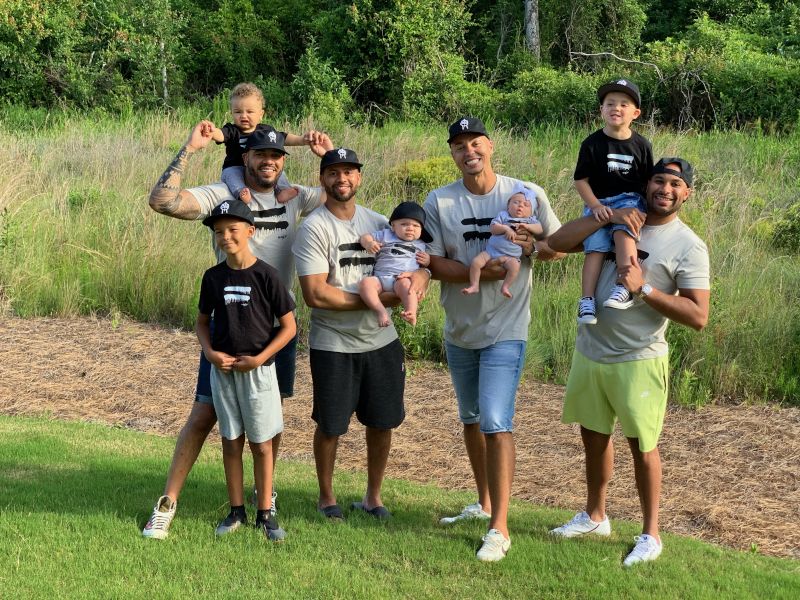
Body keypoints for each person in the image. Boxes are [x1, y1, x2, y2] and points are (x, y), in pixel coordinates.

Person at [142, 121, 333, 540]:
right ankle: (167, 503)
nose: (268, 162)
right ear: (245, 157)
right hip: (227, 326)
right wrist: (189, 149)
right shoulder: (224, 196)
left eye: (275, 155)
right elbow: (162, 201)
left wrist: (327, 158)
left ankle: (265, 498)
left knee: (270, 420)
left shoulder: (293, 195)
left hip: (274, 330)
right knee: (203, 414)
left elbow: (340, 193)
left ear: (283, 161)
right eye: (260, 154)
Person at [547, 158, 710, 567]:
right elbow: (557, 242)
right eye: (659, 180)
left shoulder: (688, 244)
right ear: (646, 183)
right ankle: (595, 516)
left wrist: (645, 289)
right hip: (591, 351)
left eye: (675, 184)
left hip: (639, 359)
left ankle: (651, 534)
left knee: (643, 447)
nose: (665, 190)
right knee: (593, 437)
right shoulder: (617, 217)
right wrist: (609, 215)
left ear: (687, 193)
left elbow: (698, 316)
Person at [423, 117, 564, 561]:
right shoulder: (440, 200)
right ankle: (483, 502)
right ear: (452, 153)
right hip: (460, 328)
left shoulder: (525, 192)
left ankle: (499, 528)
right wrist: (484, 274)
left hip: (507, 327)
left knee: (496, 421)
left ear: (491, 145)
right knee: (470, 418)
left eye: (476, 143)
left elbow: (557, 245)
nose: (469, 152)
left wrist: (528, 249)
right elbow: (431, 261)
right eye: (459, 145)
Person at [293, 148, 430, 521]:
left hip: (381, 342)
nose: (342, 179)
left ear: (359, 177)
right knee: (331, 425)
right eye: (333, 172)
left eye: (349, 171)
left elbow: (414, 263)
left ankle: (373, 497)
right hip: (333, 343)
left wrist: (421, 277)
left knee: (383, 422)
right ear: (322, 179)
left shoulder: (380, 221)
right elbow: (316, 294)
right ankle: (327, 497)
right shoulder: (314, 228)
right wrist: (377, 301)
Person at [197, 199, 296, 541]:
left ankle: (265, 513)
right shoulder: (213, 277)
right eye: (218, 232)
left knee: (262, 444)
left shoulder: (267, 275)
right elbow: (202, 322)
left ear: (251, 231)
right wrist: (210, 353)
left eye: (232, 230)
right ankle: (236, 510)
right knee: (230, 441)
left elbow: (289, 327)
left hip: (257, 372)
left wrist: (260, 358)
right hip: (224, 372)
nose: (225, 237)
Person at [575, 78, 653, 325]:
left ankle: (624, 286)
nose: (616, 108)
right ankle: (586, 300)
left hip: (630, 200)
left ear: (635, 113)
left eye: (623, 104)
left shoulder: (641, 145)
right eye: (610, 103)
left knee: (623, 233)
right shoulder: (591, 143)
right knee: (595, 248)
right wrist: (595, 206)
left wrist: (646, 213)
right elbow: (581, 180)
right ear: (601, 110)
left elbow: (647, 182)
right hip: (599, 202)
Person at [208, 82, 309, 204]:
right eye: (238, 112)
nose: (243, 116)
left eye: (250, 112)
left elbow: (283, 137)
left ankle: (283, 191)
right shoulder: (231, 130)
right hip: (235, 166)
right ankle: (241, 192)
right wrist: (211, 132)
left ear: (261, 114)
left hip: (259, 167)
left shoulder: (265, 131)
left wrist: (302, 140)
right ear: (231, 113)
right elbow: (220, 135)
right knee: (231, 175)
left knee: (278, 172)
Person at [461, 184, 543, 298]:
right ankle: (474, 285)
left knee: (515, 267)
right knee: (476, 262)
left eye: (526, 205)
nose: (520, 206)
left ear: (531, 212)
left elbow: (539, 229)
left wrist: (527, 226)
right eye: (516, 202)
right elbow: (493, 228)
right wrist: (505, 228)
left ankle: (505, 287)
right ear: (508, 206)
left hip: (511, 256)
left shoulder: (529, 220)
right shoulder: (503, 216)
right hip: (491, 252)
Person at [359, 201, 432, 327]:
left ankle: (411, 312)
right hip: (380, 278)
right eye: (404, 224)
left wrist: (427, 261)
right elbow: (365, 237)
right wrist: (369, 243)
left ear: (421, 229)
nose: (410, 228)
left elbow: (424, 267)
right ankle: (380, 311)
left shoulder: (421, 244)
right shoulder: (386, 235)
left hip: (402, 278)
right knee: (365, 284)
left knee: (409, 288)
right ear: (393, 226)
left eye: (416, 225)